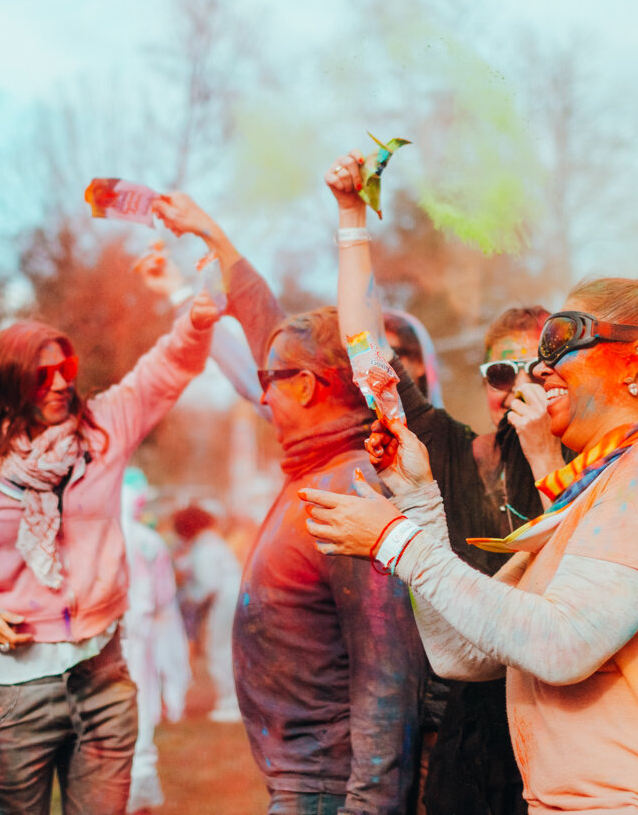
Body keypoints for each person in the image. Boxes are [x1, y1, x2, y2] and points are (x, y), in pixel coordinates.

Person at [304, 276, 638, 814]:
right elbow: (461, 654)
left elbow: (563, 646)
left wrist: (395, 541)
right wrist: (417, 500)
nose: (540, 369)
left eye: (560, 341)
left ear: (635, 359)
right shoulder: (591, 492)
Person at [152, 191, 427, 815]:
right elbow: (267, 333)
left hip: (331, 793)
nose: (261, 395)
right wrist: (216, 242)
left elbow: (390, 678)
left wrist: (368, 808)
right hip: (304, 786)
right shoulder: (318, 470)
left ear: (305, 386)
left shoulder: (351, 491)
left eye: (269, 382)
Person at [322, 153, 564, 814]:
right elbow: (365, 344)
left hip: (549, 709)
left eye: (532, 370)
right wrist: (350, 216)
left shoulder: (578, 462)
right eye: (499, 371)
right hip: (459, 704)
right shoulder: (443, 445)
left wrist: (547, 448)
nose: (514, 386)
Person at [0, 280, 218, 815]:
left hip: (103, 677)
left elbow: (167, 367)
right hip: (10, 689)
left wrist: (197, 318)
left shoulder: (103, 429)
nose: (61, 383)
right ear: (10, 382)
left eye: (68, 367)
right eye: (43, 375)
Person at [118, 468, 191, 814]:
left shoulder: (102, 534)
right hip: (142, 631)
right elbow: (163, 595)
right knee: (142, 703)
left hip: (116, 633)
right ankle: (138, 790)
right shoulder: (147, 540)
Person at [171, 503, 242, 724]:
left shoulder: (204, 547)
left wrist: (188, 598)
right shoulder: (213, 541)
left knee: (219, 651)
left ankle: (229, 703)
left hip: (223, 602)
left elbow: (208, 585)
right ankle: (231, 701)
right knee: (226, 651)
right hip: (232, 599)